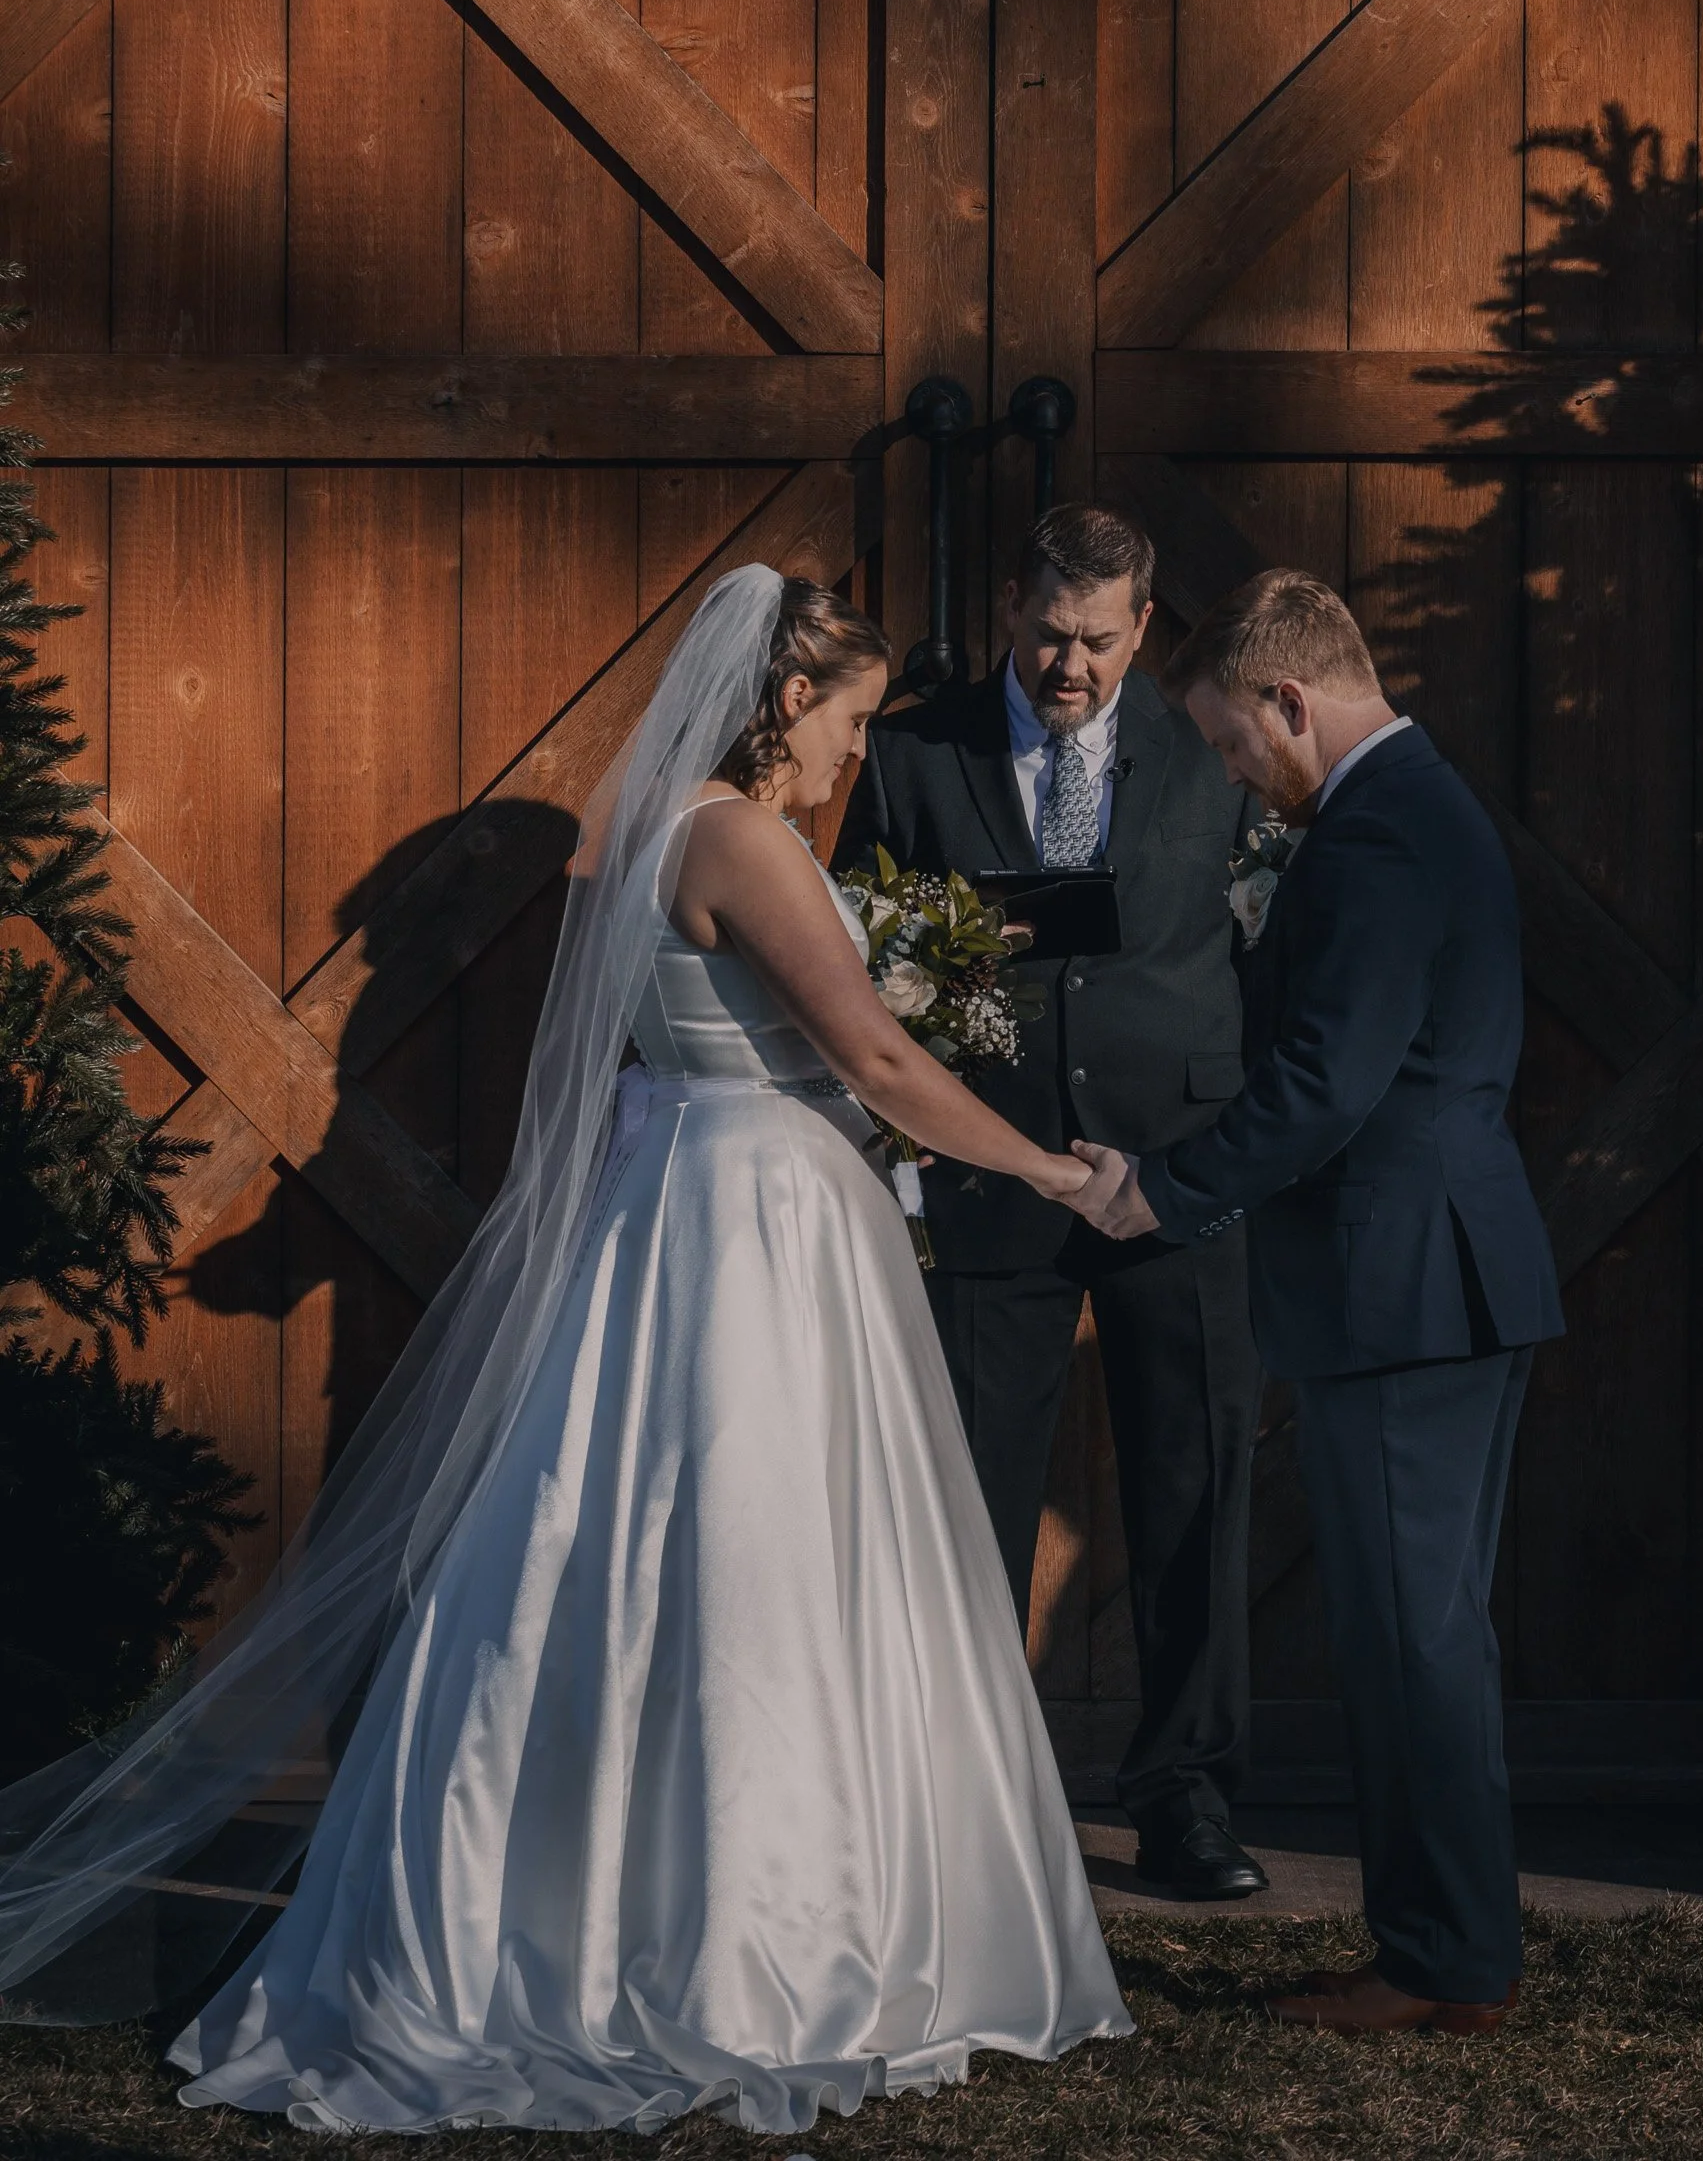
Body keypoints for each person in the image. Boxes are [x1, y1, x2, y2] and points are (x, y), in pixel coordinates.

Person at [0, 567, 1130, 2132]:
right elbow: (868, 1054)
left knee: (613, 1548)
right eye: (852, 720)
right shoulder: (745, 836)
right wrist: (1053, 1166)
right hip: (758, 1225)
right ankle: (747, 1939)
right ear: (787, 698)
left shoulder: (649, 833)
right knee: (758, 1565)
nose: (855, 757)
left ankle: (566, 1901)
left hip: (671, 1198)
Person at [1073, 567, 1565, 2036]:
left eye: (1234, 743)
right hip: (1427, 1278)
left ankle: (1441, 1968)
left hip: (1407, 1285)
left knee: (1412, 1640)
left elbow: (1326, 1085)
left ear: (1293, 701)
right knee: (1420, 1635)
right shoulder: (1399, 815)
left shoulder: (1381, 836)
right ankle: (1444, 1949)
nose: (1234, 773)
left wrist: (1161, 1189)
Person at [837, 504, 1269, 1902]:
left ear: (1145, 630)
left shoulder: (1214, 745)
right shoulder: (911, 753)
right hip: (988, 1180)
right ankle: (965, 1802)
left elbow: (1276, 937)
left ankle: (1186, 1797)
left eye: (1096, 642)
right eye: (1045, 637)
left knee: (1193, 1481)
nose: (1067, 667)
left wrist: (1243, 1133)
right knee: (971, 1498)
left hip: (1179, 1169)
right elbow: (859, 952)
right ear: (1011, 608)